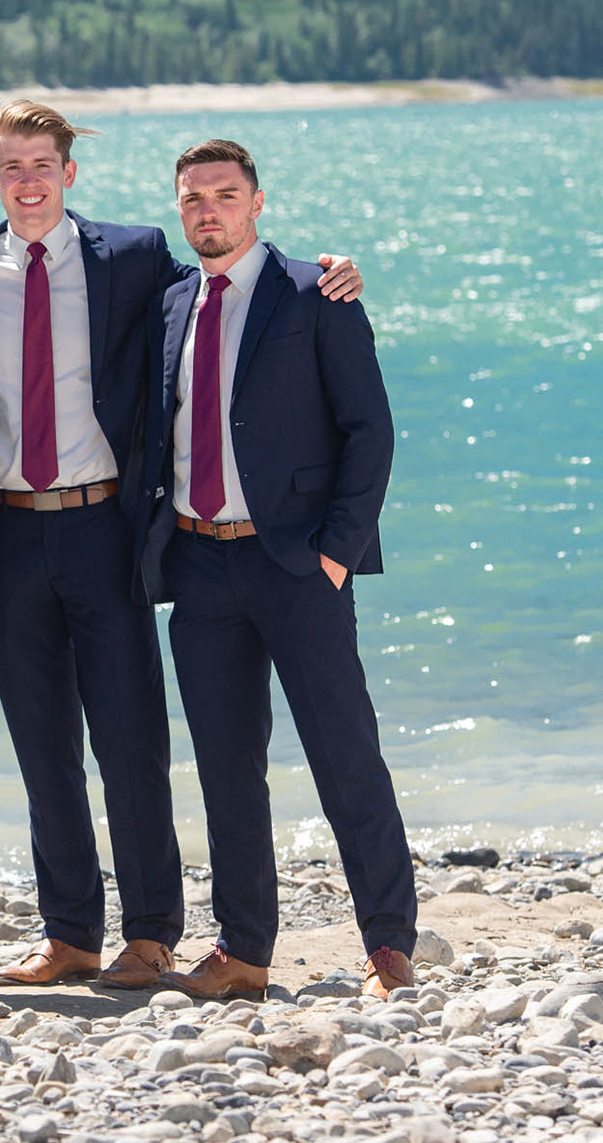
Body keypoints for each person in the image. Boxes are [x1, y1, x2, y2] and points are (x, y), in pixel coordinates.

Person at [0, 102, 363, 990]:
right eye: (12, 166)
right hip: (5, 525)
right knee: (43, 744)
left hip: (103, 524)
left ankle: (152, 929)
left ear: (69, 173)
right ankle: (71, 931)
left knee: (130, 736)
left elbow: (233, 273)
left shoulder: (133, 254)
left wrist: (332, 271)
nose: (29, 180)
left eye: (44, 164)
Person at [136, 138, 417, 1002]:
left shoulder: (315, 292)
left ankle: (388, 947)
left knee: (346, 754)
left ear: (258, 202)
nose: (208, 210)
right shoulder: (170, 305)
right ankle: (244, 949)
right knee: (226, 765)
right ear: (180, 210)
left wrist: (336, 551)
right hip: (200, 563)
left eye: (224, 194)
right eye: (193, 199)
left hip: (297, 565)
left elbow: (371, 430)